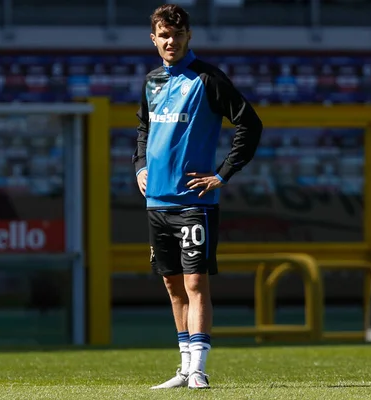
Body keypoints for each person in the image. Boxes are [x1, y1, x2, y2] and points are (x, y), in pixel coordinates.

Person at [133, 4, 263, 390]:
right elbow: (142, 129)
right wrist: (140, 167)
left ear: (189, 36)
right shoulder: (152, 81)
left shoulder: (207, 79)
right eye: (163, 35)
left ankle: (199, 370)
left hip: (194, 203)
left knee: (195, 284)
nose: (170, 41)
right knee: (173, 286)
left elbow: (249, 124)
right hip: (156, 202)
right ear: (154, 39)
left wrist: (222, 173)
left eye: (177, 34)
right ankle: (184, 366)